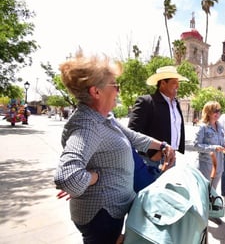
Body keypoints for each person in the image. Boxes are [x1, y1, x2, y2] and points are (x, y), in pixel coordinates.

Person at [54, 53, 175, 244]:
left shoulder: (103, 117)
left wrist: (162, 145)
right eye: (115, 85)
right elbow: (68, 178)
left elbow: (132, 137)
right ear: (96, 92)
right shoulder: (87, 125)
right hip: (101, 215)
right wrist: (93, 177)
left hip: (111, 211)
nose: (118, 91)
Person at [128, 66, 188, 174]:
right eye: (174, 82)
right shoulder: (146, 102)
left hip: (171, 159)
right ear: (163, 83)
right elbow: (132, 133)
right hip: (151, 162)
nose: (178, 86)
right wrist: (152, 153)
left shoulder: (176, 104)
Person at [193, 101, 225, 225]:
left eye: (219, 111)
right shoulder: (203, 127)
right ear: (208, 112)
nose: (218, 114)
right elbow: (196, 145)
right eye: (215, 111)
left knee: (212, 191)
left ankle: (210, 213)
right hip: (206, 165)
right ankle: (200, 216)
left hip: (219, 164)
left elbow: (222, 142)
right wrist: (213, 148)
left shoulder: (220, 126)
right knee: (203, 192)